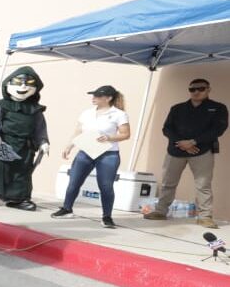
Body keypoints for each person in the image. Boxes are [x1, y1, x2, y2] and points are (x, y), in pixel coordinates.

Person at [144, 79, 227, 228]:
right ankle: (160, 211)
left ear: (208, 89)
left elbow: (218, 130)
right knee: (168, 183)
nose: (196, 92)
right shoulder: (177, 108)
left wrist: (193, 142)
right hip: (175, 150)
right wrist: (182, 143)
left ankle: (205, 216)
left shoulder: (218, 108)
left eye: (200, 89)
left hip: (202, 151)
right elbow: (167, 128)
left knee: (203, 185)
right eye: (192, 89)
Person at [51, 85, 130, 228]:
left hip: (108, 154)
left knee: (106, 186)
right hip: (86, 151)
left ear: (108, 98)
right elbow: (78, 131)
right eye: (93, 95)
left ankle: (107, 217)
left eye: (97, 96)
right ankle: (66, 209)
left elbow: (126, 134)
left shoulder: (119, 114)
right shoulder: (87, 113)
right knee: (74, 181)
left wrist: (109, 137)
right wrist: (69, 146)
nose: (93, 98)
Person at [0, 66, 50, 211]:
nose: (23, 87)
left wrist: (43, 141)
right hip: (4, 143)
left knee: (22, 172)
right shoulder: (1, 105)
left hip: (26, 146)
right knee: (1, 170)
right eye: (18, 83)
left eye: (28, 84)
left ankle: (19, 199)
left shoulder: (35, 109)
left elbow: (40, 128)